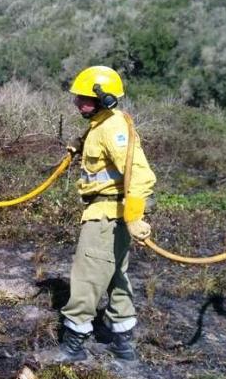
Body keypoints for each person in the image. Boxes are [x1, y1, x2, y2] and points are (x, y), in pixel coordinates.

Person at [43, 66, 156, 363]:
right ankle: (123, 343)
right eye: (78, 97)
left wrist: (134, 216)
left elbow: (141, 175)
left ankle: (72, 346)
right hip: (109, 212)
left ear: (105, 99)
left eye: (84, 99)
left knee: (87, 277)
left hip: (106, 216)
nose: (77, 103)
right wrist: (80, 145)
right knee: (116, 276)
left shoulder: (112, 128)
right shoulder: (101, 124)